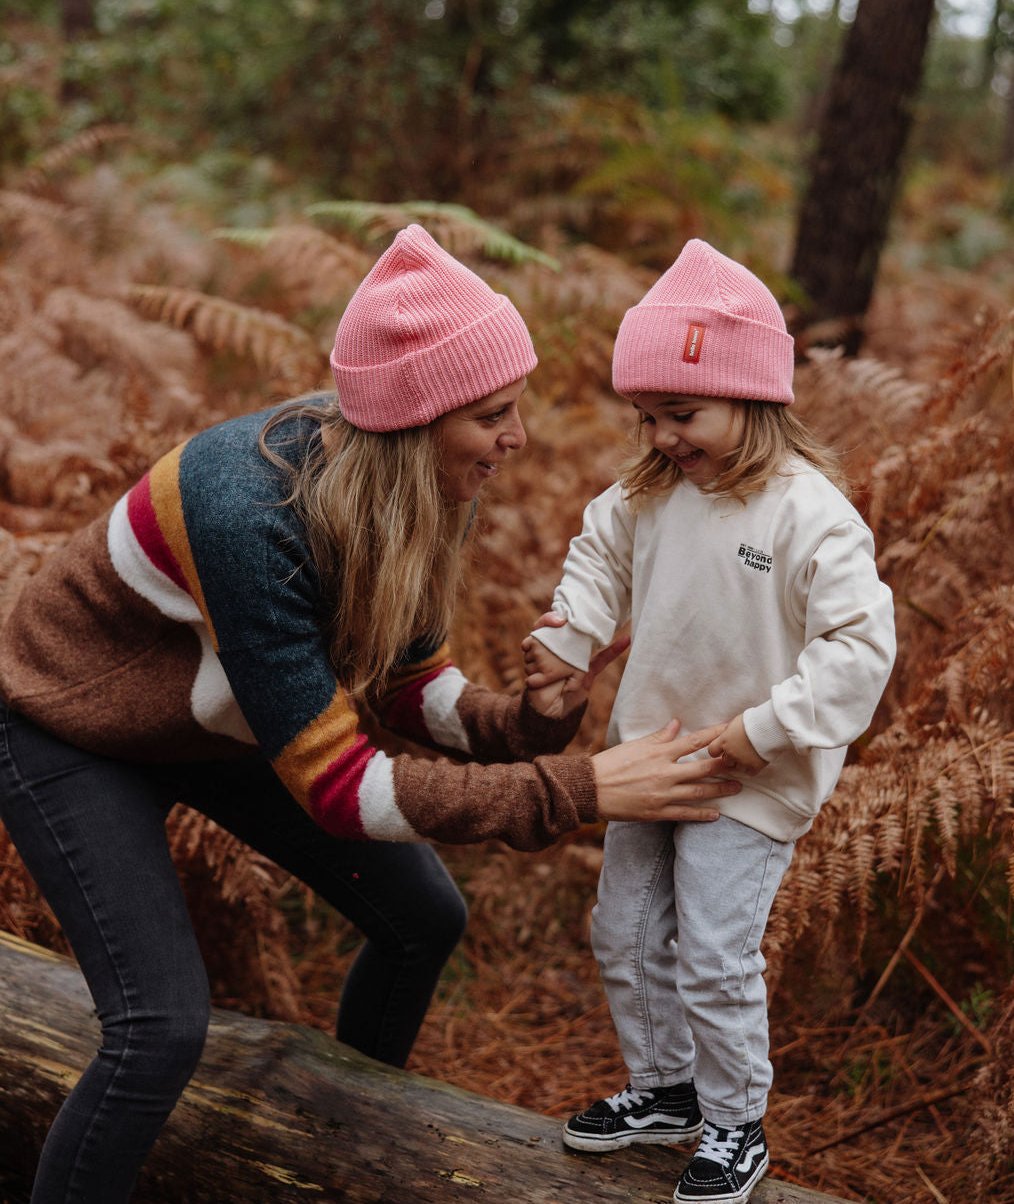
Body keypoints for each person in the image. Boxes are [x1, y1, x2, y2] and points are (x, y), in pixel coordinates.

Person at [0, 224, 741, 1204]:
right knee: (158, 1027)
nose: (516, 439)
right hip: (65, 725)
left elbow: (404, 680)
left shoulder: (426, 481)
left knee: (421, 917)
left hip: (218, 718)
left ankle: (325, 1162)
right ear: (414, 418)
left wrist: (524, 724)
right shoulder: (247, 511)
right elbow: (342, 790)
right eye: (493, 415)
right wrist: (582, 786)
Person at [522, 239, 896, 1204]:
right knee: (626, 930)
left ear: (753, 397)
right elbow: (596, 562)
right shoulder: (647, 496)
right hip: (652, 755)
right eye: (645, 416)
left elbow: (858, 652)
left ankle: (737, 1126)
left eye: (679, 413)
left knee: (715, 953)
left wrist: (757, 732)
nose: (659, 436)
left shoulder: (810, 517)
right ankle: (667, 1091)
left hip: (750, 777)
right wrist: (569, 641)